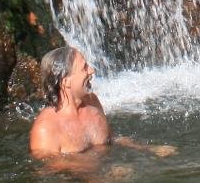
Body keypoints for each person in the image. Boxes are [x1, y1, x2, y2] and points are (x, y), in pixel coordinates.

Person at [28, 47, 174, 159]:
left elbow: (111, 138)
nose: (91, 70)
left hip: (109, 181)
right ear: (66, 82)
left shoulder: (93, 102)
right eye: (84, 68)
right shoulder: (45, 129)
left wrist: (149, 149)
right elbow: (52, 175)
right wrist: (106, 176)